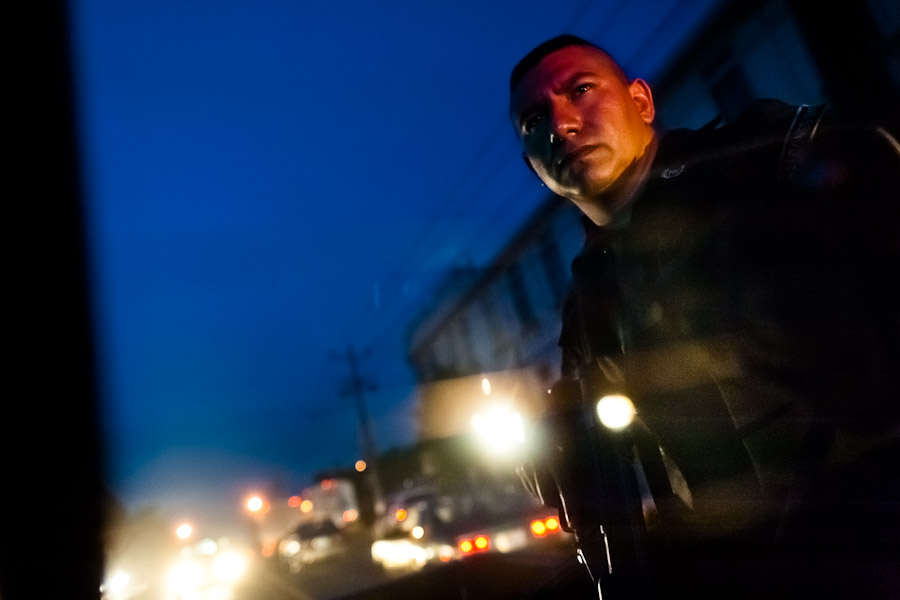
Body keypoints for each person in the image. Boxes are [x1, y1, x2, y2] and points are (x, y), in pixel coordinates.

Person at [510, 35, 899, 599]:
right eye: (534, 121)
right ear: (533, 165)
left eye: (580, 90)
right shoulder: (588, 303)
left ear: (641, 102)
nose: (561, 124)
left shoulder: (763, 163)